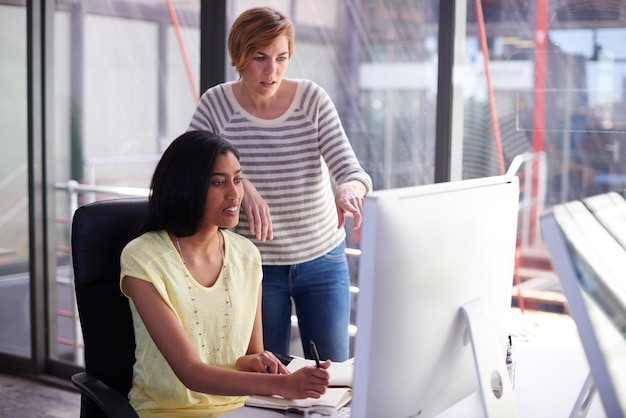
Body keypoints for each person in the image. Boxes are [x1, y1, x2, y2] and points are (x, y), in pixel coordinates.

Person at [188, 6, 373, 362]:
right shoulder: (216, 104)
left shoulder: (311, 100)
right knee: (266, 378)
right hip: (255, 267)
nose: (271, 70)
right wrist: (242, 185)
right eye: (259, 57)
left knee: (332, 374)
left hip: (323, 260)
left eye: (281, 57)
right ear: (239, 56)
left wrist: (349, 188)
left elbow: (352, 170)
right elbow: (189, 164)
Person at [120, 130, 330, 417]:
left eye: (238, 179)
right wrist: (286, 386)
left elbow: (250, 353)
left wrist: (260, 363)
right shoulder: (144, 257)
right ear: (187, 187)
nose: (235, 194)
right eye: (219, 182)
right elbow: (190, 372)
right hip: (170, 411)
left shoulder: (247, 255)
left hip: (243, 408)